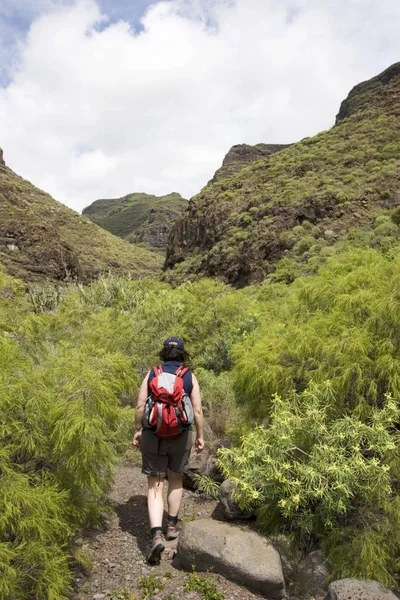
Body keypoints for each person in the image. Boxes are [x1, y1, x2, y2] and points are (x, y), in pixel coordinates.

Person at [133, 336, 205, 564]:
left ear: (163, 353)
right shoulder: (188, 377)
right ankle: (171, 525)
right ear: (183, 354)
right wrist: (200, 436)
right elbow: (197, 410)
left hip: (153, 434)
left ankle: (156, 534)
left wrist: (137, 430)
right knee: (175, 479)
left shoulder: (152, 374)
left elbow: (140, 406)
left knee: (155, 482)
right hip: (181, 435)